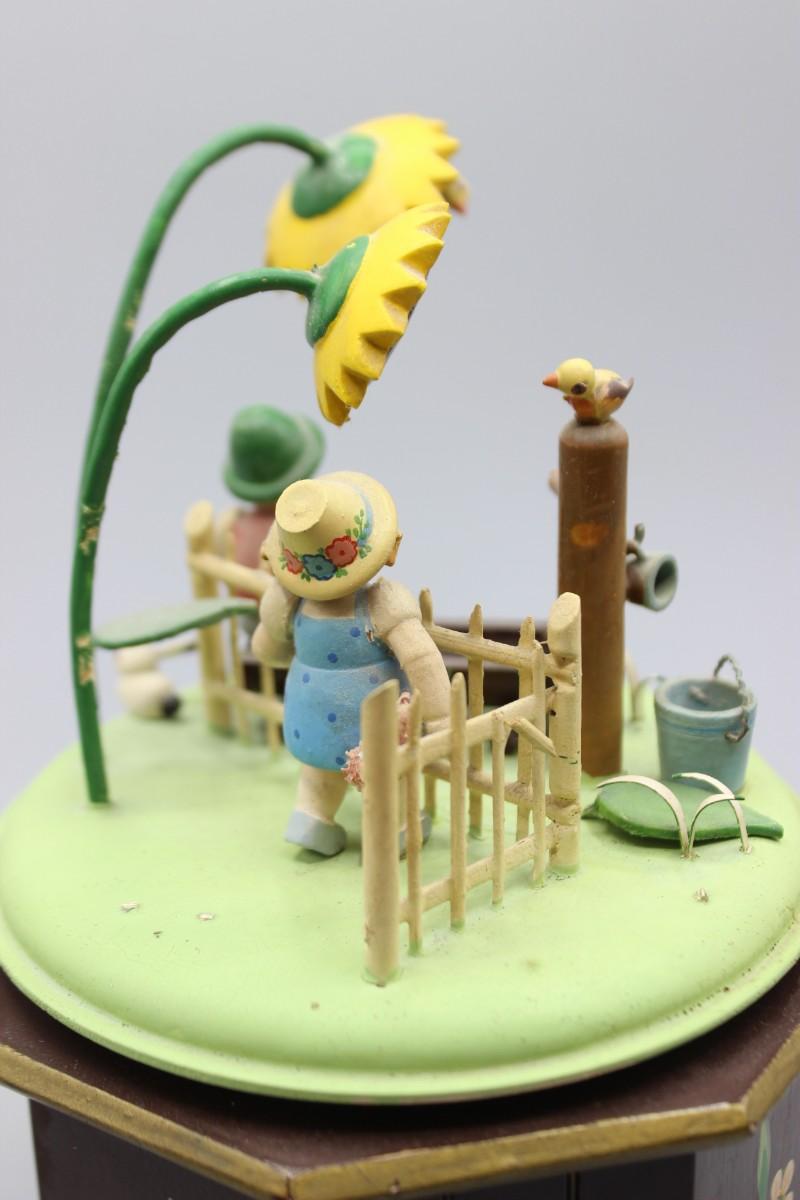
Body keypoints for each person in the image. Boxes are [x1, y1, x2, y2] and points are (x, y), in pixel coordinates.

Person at [252, 471, 450, 856]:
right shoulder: (383, 603)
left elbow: (267, 650)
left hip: (310, 709)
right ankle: (396, 830)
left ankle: (311, 819)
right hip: (371, 720)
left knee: (318, 775)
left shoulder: (290, 602)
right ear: (389, 550)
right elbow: (420, 657)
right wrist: (442, 716)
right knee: (389, 778)